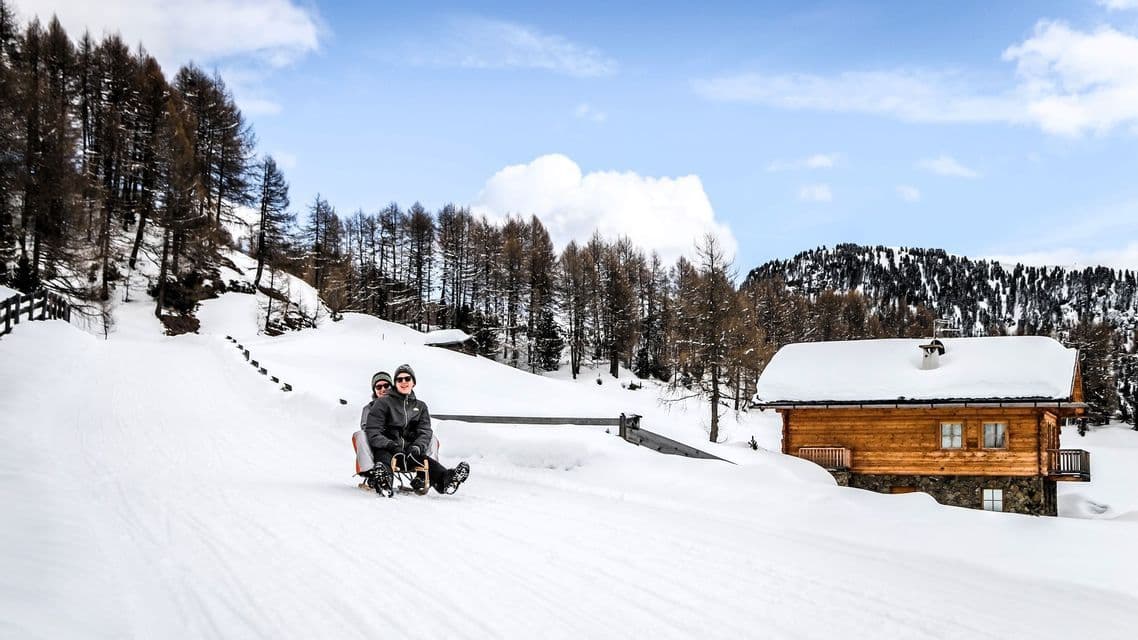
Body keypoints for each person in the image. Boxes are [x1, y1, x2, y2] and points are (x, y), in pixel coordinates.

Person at [364, 364, 470, 495]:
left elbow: (425, 431)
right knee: (384, 459)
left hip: (409, 450)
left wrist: (417, 447)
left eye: (407, 378)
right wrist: (390, 444)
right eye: (399, 379)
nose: (403, 382)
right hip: (388, 448)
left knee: (425, 460)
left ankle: (448, 481)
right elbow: (373, 430)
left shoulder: (420, 406)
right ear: (395, 384)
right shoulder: (383, 403)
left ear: (413, 382)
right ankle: (384, 482)